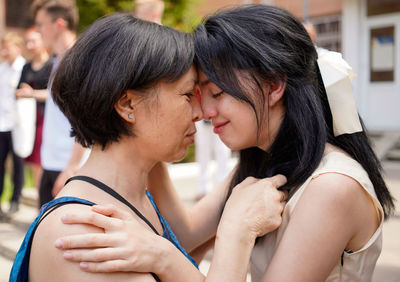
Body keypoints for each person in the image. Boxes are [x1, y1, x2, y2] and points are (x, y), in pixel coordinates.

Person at [53, 5, 395, 282]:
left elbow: (178, 247)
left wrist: (165, 255)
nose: (203, 111)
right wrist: (146, 138)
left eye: (216, 93)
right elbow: (186, 234)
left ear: (274, 85)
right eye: (194, 94)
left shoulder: (331, 187)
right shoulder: (262, 164)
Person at [10, 13, 287, 282]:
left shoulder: (133, 195)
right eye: (188, 94)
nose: (201, 112)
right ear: (128, 105)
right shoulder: (81, 231)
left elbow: (185, 239)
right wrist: (238, 234)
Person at [31, 0, 87, 207]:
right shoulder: (57, 61)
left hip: (68, 167)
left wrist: (71, 167)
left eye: (40, 24)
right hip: (52, 163)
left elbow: (85, 118)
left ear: (59, 24)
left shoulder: (78, 61)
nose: (38, 30)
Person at [15, 29, 53, 195]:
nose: (29, 46)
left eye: (33, 41)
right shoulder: (26, 66)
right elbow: (18, 89)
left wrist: (32, 94)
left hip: (46, 119)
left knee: (41, 161)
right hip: (28, 120)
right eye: (27, 42)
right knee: (32, 162)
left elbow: (55, 93)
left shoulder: (53, 64)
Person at [0, 32, 26, 216]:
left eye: (8, 47)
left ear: (18, 48)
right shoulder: (2, 69)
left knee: (18, 165)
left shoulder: (24, 68)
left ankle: (15, 200)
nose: (4, 51)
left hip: (18, 125)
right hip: (2, 124)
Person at [195, 119, 231, 198]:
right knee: (202, 149)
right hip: (201, 118)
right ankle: (203, 187)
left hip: (220, 113)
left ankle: (223, 185)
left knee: (222, 148)